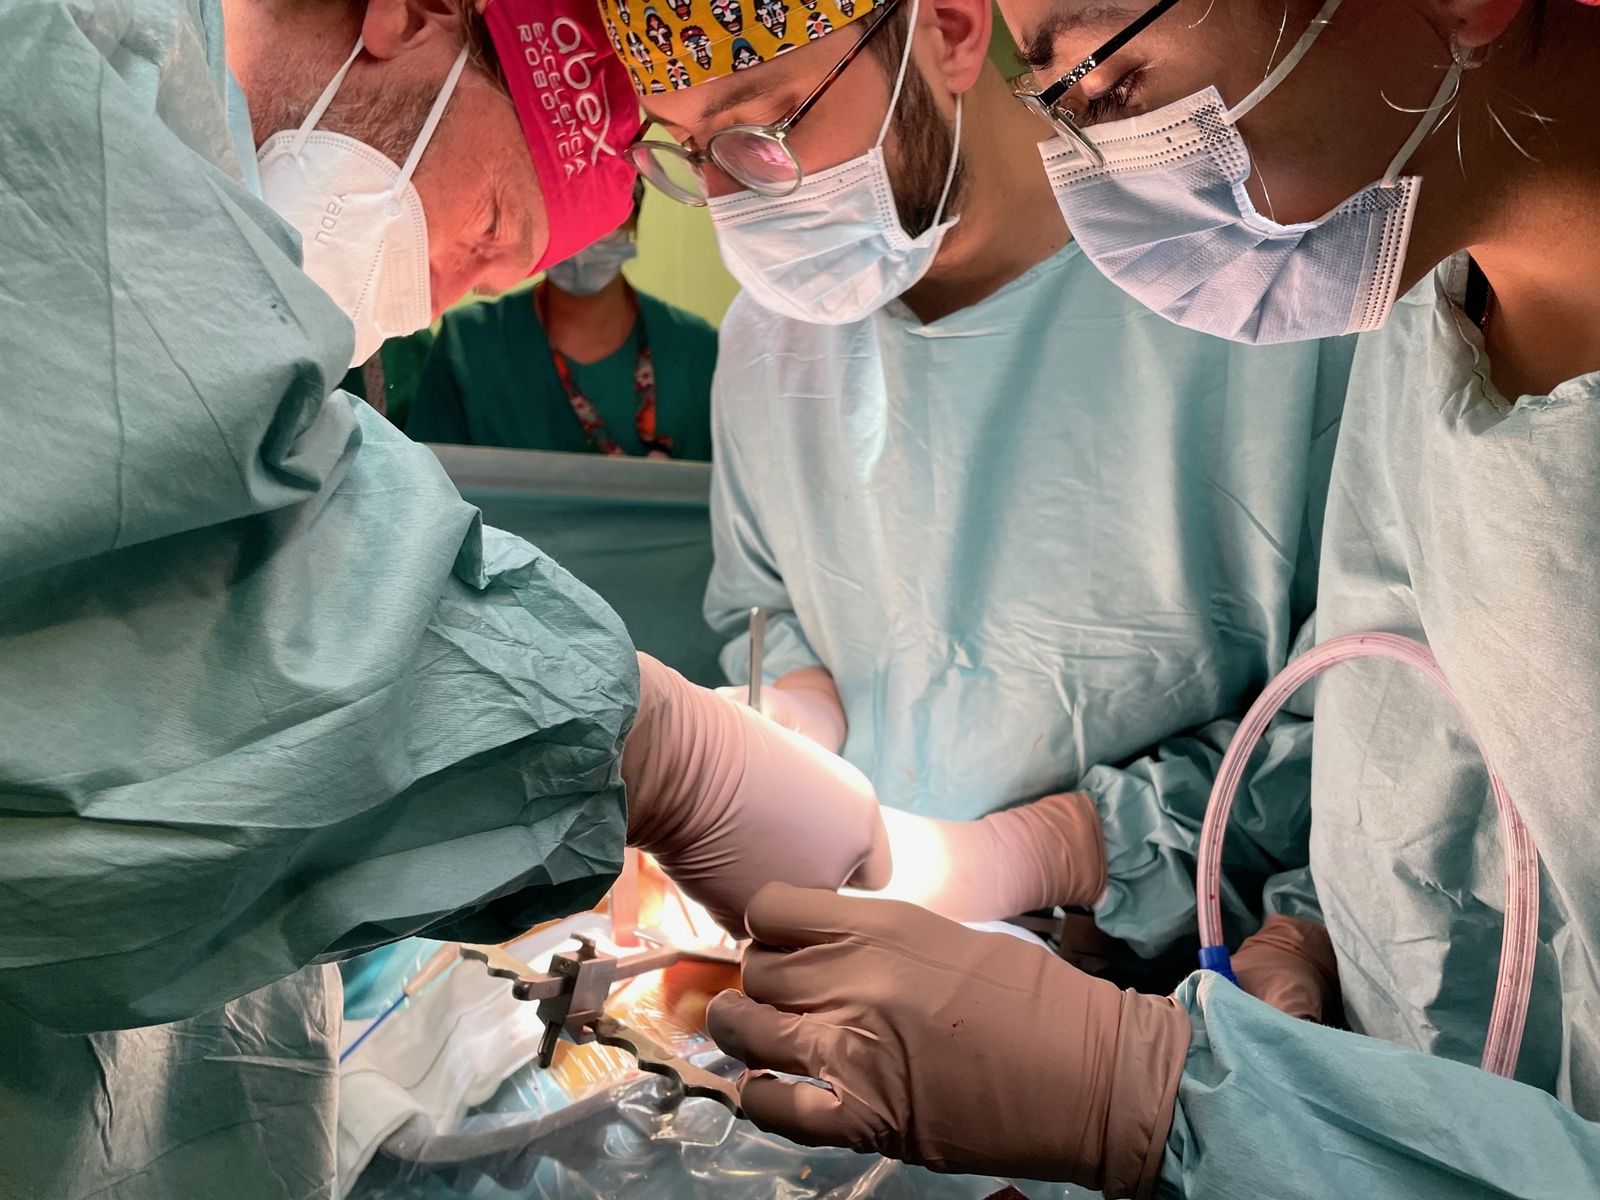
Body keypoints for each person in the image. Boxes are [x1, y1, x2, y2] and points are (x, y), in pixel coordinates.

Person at [0, 1, 902, 1196]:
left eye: (490, 284)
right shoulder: (58, 60)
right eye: (488, 225)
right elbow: (155, 626)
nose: (438, 301)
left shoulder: (210, 254)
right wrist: (650, 741)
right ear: (411, 17)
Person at [705, 0, 1600, 1196]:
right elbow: (1416, 748)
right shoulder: (1427, 330)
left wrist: (1143, 1081)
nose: (1091, 179)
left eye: (1103, 77)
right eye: (1057, 100)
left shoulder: (1334, 322)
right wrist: (1321, 940)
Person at [610, 0, 1354, 977]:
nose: (729, 195)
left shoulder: (1249, 286)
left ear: (952, 32)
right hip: (876, 976)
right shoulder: (771, 338)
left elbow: (1363, 716)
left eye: (763, 128)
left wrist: (1045, 851)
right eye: (688, 149)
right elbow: (767, 604)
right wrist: (791, 716)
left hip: (1172, 991)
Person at [407, 185, 719, 457]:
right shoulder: (470, 345)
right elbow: (430, 493)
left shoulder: (697, 352)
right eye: (563, 209)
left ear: (634, 215)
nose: (583, 234)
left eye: (601, 208)